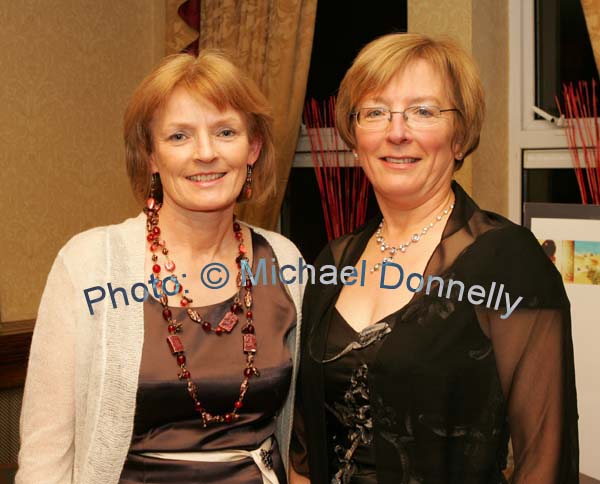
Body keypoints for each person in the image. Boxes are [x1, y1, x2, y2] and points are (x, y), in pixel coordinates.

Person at [290, 33, 578, 483]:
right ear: (354, 136)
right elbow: (304, 450)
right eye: (375, 112)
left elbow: (544, 458)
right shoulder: (333, 262)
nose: (397, 131)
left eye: (423, 111)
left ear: (459, 138)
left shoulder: (509, 261)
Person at [17, 50, 305, 484]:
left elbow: (300, 436)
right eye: (179, 137)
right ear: (150, 156)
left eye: (226, 132)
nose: (205, 153)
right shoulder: (89, 264)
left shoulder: (285, 262)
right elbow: (45, 451)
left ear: (254, 148)